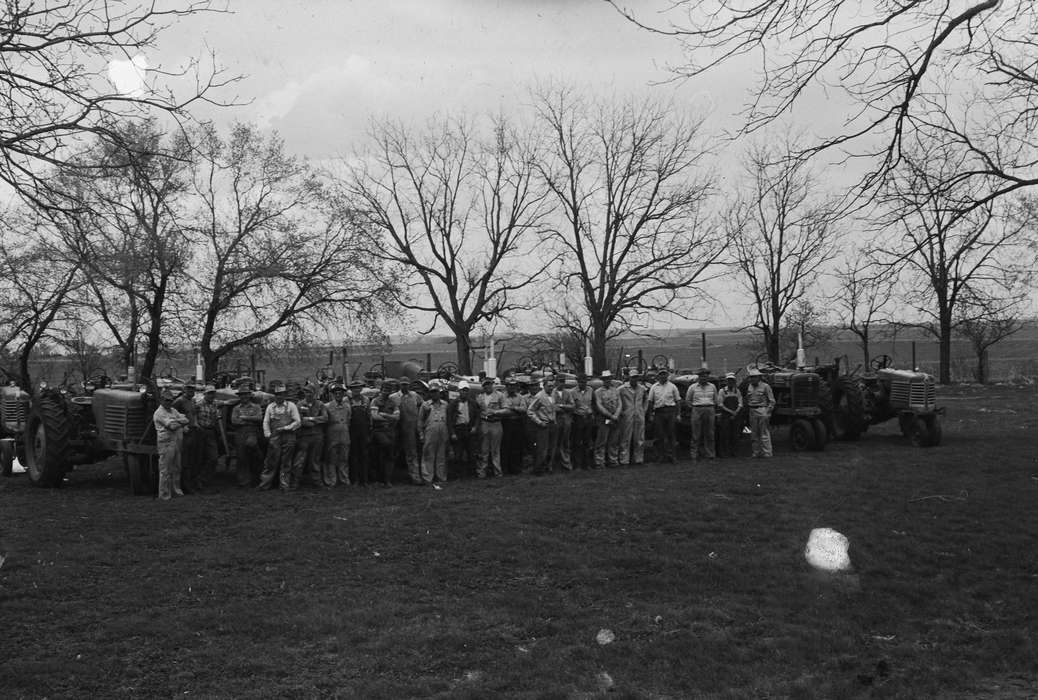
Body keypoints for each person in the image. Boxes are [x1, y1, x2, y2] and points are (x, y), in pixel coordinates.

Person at [259, 384, 301, 491]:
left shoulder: (291, 406)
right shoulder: (270, 407)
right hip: (275, 437)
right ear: (274, 396)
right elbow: (266, 421)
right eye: (277, 395)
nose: (279, 397)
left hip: (289, 436)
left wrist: (286, 428)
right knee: (271, 461)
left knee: (286, 462)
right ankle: (265, 484)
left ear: (285, 395)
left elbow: (297, 421)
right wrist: (267, 434)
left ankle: (284, 485)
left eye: (281, 395)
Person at [153, 389, 190, 500]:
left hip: (176, 441)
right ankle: (164, 494)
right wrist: (180, 421)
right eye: (166, 400)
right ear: (161, 400)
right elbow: (173, 426)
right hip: (166, 443)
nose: (169, 402)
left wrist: (177, 421)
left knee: (177, 468)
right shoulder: (159, 413)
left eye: (170, 400)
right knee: (165, 469)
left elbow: (186, 419)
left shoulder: (173, 410)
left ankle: (176, 491)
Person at [293, 385, 328, 488]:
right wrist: (308, 422)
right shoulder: (299, 404)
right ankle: (295, 482)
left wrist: (311, 419)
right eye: (306, 392)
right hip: (304, 436)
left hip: (317, 436)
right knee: (300, 460)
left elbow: (325, 418)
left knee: (315, 460)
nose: (308, 394)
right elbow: (298, 419)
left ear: (314, 393)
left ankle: (317, 482)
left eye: (310, 392)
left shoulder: (320, 404)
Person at [230, 386, 265, 487]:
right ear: (239, 396)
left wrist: (245, 417)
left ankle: (258, 475)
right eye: (242, 395)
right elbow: (234, 421)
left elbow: (259, 418)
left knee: (251, 444)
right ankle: (243, 481)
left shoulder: (256, 406)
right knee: (241, 457)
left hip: (252, 431)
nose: (244, 396)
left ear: (249, 395)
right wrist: (250, 420)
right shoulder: (236, 408)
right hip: (240, 432)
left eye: (246, 394)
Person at [391, 378, 423, 485]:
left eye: (406, 385)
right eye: (402, 385)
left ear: (409, 385)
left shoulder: (415, 395)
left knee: (412, 453)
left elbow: (422, 406)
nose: (404, 387)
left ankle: (415, 477)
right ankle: (393, 477)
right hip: (397, 428)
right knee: (394, 453)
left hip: (412, 427)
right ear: (399, 385)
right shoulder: (394, 397)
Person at [369, 380, 400, 486]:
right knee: (379, 454)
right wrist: (389, 418)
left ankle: (388, 480)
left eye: (388, 390)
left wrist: (385, 415)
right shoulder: (375, 401)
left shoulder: (392, 403)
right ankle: (377, 479)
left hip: (390, 431)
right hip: (378, 431)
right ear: (381, 390)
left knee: (390, 455)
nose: (386, 392)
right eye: (384, 390)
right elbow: (374, 416)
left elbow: (397, 417)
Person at [418, 381, 450, 484]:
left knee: (441, 455)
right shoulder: (425, 405)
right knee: (428, 454)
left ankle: (441, 477)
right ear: (429, 393)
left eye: (436, 392)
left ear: (439, 393)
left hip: (443, 430)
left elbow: (449, 419)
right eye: (432, 392)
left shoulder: (445, 404)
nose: (434, 394)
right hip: (430, 431)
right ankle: (428, 477)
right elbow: (420, 421)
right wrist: (421, 434)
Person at [647, 369, 681, 463]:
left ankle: (672, 456)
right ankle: (661, 456)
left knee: (672, 434)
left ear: (667, 376)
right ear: (658, 376)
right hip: (659, 412)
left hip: (670, 411)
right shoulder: (654, 387)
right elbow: (650, 402)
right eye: (661, 375)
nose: (663, 376)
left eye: (665, 375)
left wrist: (678, 414)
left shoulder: (673, 386)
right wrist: (650, 415)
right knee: (659, 435)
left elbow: (678, 401)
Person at [447, 381, 480, 476]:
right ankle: (457, 474)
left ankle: (471, 473)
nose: (464, 393)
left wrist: (475, 427)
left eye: (466, 391)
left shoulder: (473, 403)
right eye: (462, 390)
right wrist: (452, 433)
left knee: (471, 453)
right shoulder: (453, 404)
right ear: (459, 391)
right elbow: (449, 420)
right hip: (458, 429)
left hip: (469, 429)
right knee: (458, 454)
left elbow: (477, 416)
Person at [173, 383, 200, 493]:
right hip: (185, 433)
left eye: (192, 389)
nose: (191, 391)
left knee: (193, 458)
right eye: (189, 389)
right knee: (185, 460)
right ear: (184, 390)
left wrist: (196, 423)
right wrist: (182, 426)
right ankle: (185, 486)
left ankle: (192, 483)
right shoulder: (179, 401)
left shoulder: (193, 401)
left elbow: (193, 414)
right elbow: (172, 414)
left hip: (193, 431)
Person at [527, 376, 557, 475]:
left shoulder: (552, 395)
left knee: (551, 448)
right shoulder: (539, 396)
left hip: (552, 424)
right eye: (549, 386)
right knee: (542, 449)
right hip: (544, 425)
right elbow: (530, 411)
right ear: (544, 386)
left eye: (552, 386)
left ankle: (549, 467)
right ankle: (539, 469)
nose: (551, 388)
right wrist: (539, 422)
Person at [193, 385, 222, 490]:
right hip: (200, 431)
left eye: (213, 393)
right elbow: (193, 415)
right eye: (209, 393)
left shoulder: (215, 404)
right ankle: (197, 481)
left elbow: (219, 413)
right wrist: (196, 424)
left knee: (213, 457)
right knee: (199, 457)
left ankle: (204, 478)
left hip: (211, 432)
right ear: (205, 394)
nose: (211, 395)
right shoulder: (198, 404)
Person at [686, 369, 718, 461]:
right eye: (702, 376)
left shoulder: (712, 387)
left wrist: (711, 408)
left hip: (710, 409)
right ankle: (694, 455)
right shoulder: (693, 387)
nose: (704, 378)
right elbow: (688, 400)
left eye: (705, 376)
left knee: (710, 433)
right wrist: (694, 409)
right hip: (697, 409)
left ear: (708, 377)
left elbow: (715, 400)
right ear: (698, 377)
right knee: (696, 434)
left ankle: (710, 454)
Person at [593, 371, 623, 468]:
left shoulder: (616, 390)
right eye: (606, 379)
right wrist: (610, 415)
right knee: (602, 440)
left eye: (609, 379)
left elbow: (620, 404)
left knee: (614, 440)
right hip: (604, 418)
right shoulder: (598, 392)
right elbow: (599, 405)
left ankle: (613, 460)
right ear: (603, 380)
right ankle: (599, 461)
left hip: (615, 418)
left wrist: (616, 415)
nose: (608, 381)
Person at [323, 383, 351, 487]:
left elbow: (349, 420)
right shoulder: (327, 406)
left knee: (344, 458)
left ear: (344, 394)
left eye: (340, 393)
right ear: (333, 395)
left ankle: (344, 479)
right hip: (332, 435)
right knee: (331, 458)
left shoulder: (347, 406)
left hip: (344, 435)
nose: (338, 395)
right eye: (336, 393)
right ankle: (332, 480)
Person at [618, 370, 647, 466]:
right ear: (629, 378)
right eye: (633, 377)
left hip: (639, 415)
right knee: (625, 438)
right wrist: (621, 411)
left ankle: (638, 459)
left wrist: (643, 410)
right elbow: (617, 400)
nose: (634, 379)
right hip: (627, 415)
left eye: (636, 377)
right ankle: (624, 460)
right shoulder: (622, 389)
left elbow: (646, 400)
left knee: (639, 438)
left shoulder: (642, 389)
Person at [745, 368, 776, 458]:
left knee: (764, 433)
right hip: (752, 410)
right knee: (754, 433)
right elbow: (748, 398)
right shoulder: (749, 386)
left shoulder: (765, 386)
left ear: (759, 377)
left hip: (762, 410)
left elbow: (772, 400)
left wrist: (768, 411)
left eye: (754, 377)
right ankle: (756, 452)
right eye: (751, 377)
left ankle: (767, 453)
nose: (752, 379)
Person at [346, 380, 372, 486]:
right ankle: (355, 479)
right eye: (354, 388)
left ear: (361, 389)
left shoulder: (366, 400)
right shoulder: (347, 400)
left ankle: (365, 479)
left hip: (364, 430)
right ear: (351, 390)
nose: (357, 390)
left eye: (358, 388)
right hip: (352, 430)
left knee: (364, 454)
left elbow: (369, 414)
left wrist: (370, 427)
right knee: (354, 454)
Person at [501, 379, 528, 475]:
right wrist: (516, 409)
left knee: (517, 446)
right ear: (506, 386)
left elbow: (524, 409)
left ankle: (516, 468)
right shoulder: (502, 396)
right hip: (506, 422)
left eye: (514, 386)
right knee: (506, 446)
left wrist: (513, 408)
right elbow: (504, 409)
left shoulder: (520, 397)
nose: (512, 387)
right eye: (510, 385)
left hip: (517, 422)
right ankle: (506, 469)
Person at [570, 374, 595, 470]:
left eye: (584, 382)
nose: (582, 383)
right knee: (577, 442)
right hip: (578, 418)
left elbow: (593, 403)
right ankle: (577, 464)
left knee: (587, 442)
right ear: (577, 382)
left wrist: (591, 414)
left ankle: (587, 464)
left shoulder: (591, 390)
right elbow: (572, 406)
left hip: (588, 418)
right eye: (580, 381)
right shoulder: (573, 392)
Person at [716, 373, 744, 458]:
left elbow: (740, 403)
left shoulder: (737, 391)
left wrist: (736, 412)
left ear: (734, 382)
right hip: (726, 416)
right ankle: (725, 452)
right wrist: (731, 412)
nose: (730, 382)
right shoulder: (722, 391)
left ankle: (734, 452)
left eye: (732, 381)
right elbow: (720, 404)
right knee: (725, 434)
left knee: (735, 434)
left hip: (735, 415)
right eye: (729, 381)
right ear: (726, 382)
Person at [552, 377, 575, 470]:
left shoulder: (567, 393)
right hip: (556, 420)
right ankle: (554, 464)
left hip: (566, 420)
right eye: (560, 381)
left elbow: (572, 406)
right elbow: (552, 406)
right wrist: (565, 408)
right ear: (556, 382)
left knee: (565, 442)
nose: (562, 383)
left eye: (563, 382)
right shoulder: (552, 392)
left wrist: (562, 406)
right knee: (555, 442)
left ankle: (566, 463)